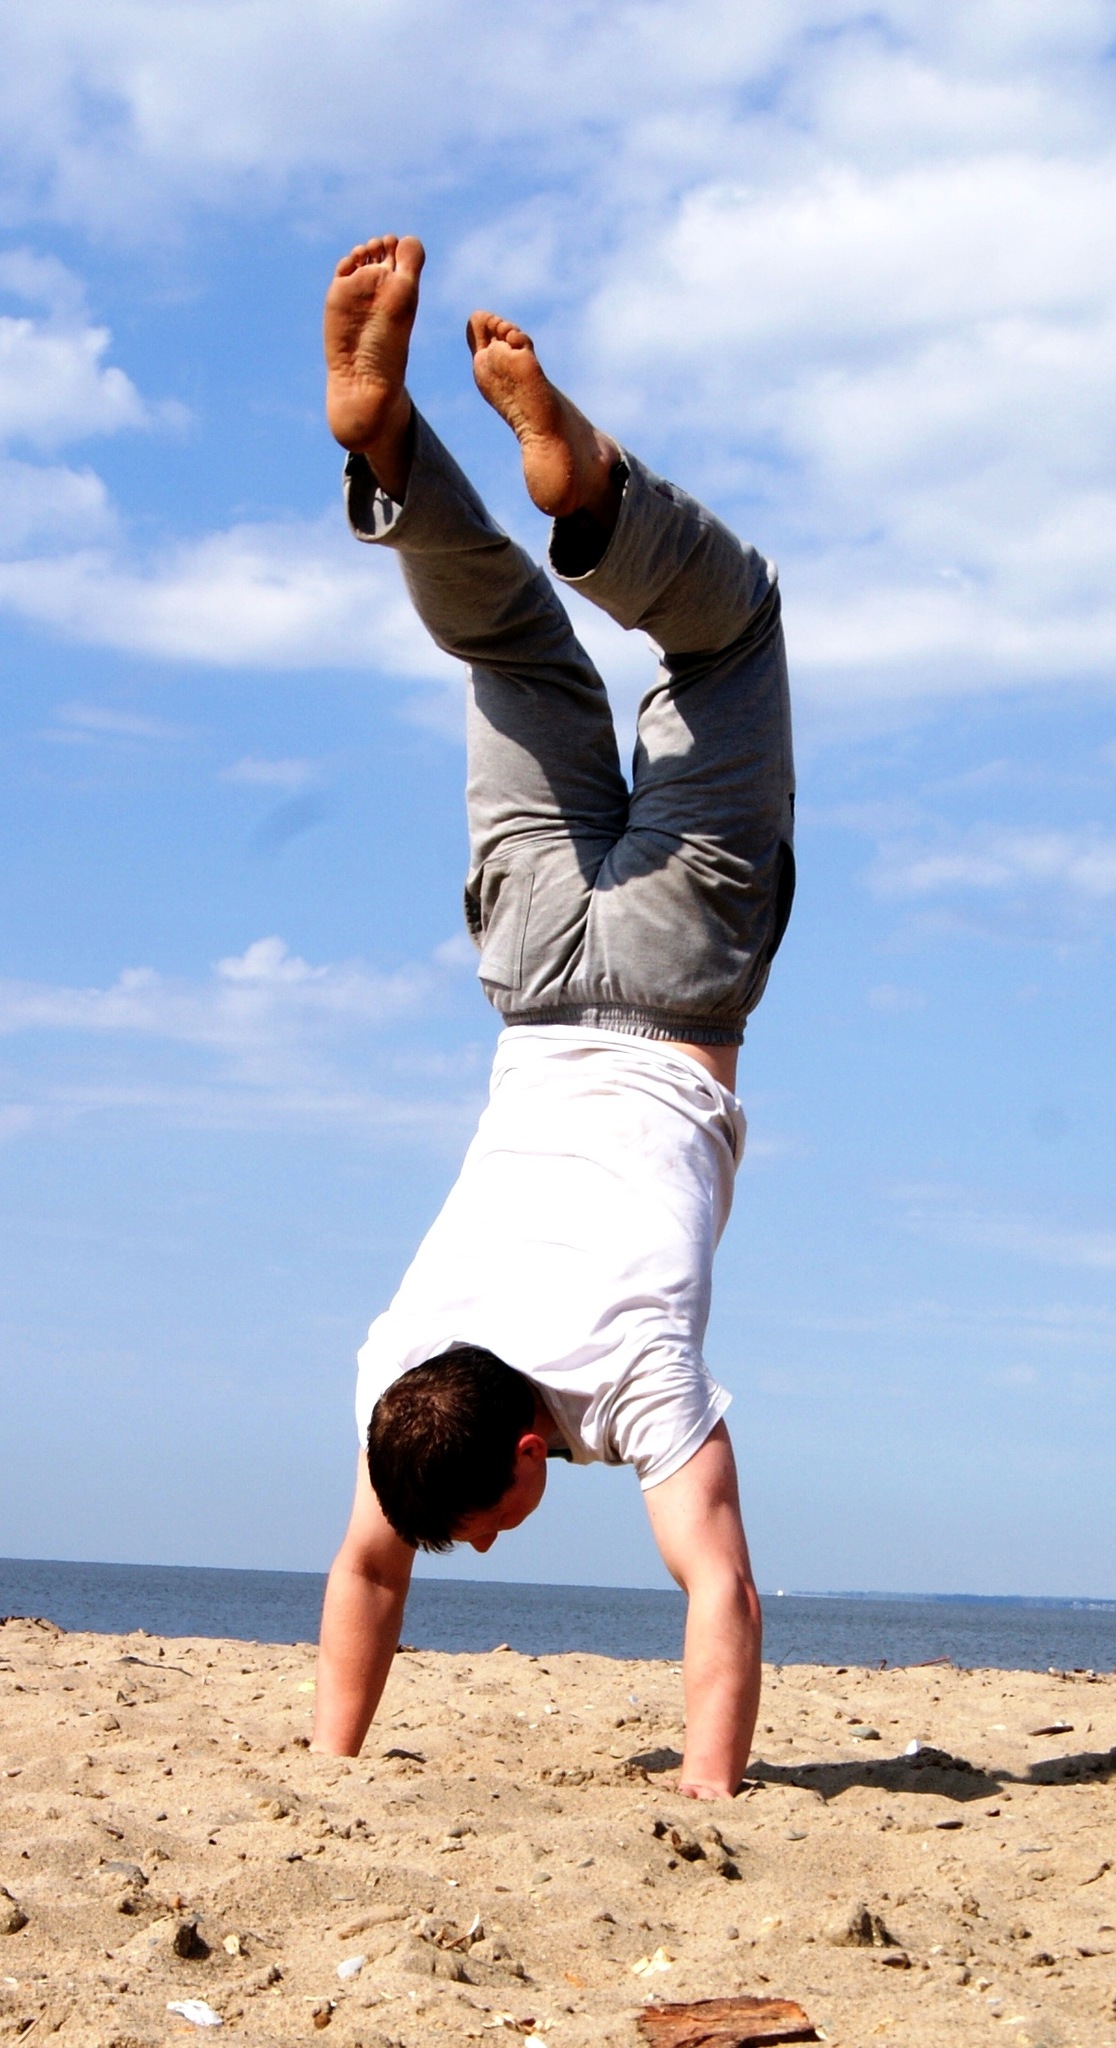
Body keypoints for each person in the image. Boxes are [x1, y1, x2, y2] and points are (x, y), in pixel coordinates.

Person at [312, 235, 795, 1800]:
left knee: (732, 637)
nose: (476, 1549)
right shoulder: (406, 1369)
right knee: (509, 641)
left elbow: (722, 1586)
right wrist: (325, 1769)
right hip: (530, 978)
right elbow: (368, 1561)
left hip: (670, 980)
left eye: (481, 1528)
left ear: (529, 1454)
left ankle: (584, 496)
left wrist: (711, 1794)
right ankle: (404, 455)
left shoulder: (634, 1377)